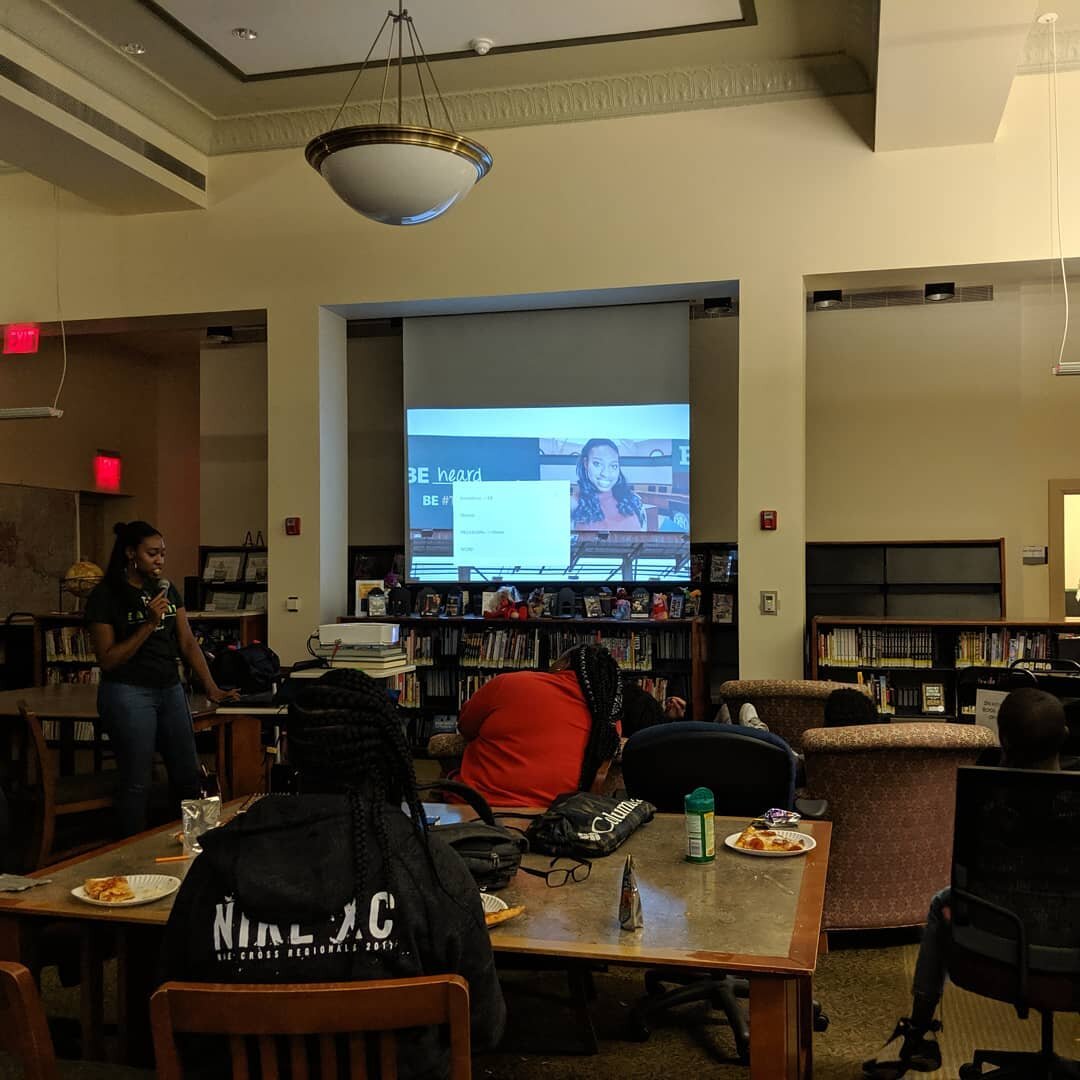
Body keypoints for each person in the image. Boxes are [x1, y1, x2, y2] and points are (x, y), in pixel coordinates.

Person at [162, 668, 505, 1077]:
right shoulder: (430, 868)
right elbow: (483, 1028)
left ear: (287, 751)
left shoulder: (215, 865)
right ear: (389, 752)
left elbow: (170, 1013)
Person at [863, 687, 1070, 1079]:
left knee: (941, 902)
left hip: (994, 951)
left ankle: (919, 1031)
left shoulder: (985, 797)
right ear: (1065, 736)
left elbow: (966, 880)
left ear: (1003, 739)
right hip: (1073, 956)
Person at [85, 520, 237, 837]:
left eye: (163, 554)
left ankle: (196, 846)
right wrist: (149, 623)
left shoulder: (167, 589)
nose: (160, 560)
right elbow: (108, 659)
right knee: (137, 779)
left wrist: (212, 688)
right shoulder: (106, 595)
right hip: (128, 691)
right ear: (131, 554)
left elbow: (187, 642)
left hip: (169, 689)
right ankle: (130, 855)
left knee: (188, 774)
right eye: (152, 553)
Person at [456, 643, 623, 806]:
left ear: (564, 664)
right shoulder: (608, 721)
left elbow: (466, 726)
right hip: (553, 819)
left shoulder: (508, 683)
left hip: (475, 805)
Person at [570, 438, 646, 532]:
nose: (606, 473)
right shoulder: (572, 504)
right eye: (597, 464)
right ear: (586, 463)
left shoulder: (635, 501)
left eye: (613, 466)